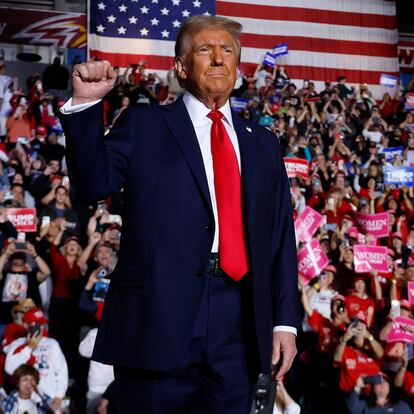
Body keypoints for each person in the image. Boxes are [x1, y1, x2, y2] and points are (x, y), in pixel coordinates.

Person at [58, 15, 300, 413]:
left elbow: (280, 240)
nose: (219, 58)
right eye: (206, 49)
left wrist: (284, 322)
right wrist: (86, 105)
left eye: (228, 51)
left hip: (239, 319)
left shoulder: (264, 143)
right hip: (158, 313)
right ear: (181, 67)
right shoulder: (144, 123)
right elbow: (91, 185)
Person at [5, 308, 68, 412]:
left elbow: (62, 372)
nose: (41, 327)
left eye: (43, 324)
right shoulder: (17, 344)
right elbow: (10, 369)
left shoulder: (52, 344)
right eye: (37, 324)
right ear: (26, 325)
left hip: (48, 399)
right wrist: (29, 347)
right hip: (26, 401)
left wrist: (59, 395)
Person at [346, 373, 413, 414]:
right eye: (378, 382)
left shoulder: (401, 405)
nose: (382, 384)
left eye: (385, 381)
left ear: (389, 386)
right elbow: (352, 409)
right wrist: (357, 387)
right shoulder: (365, 405)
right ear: (373, 388)